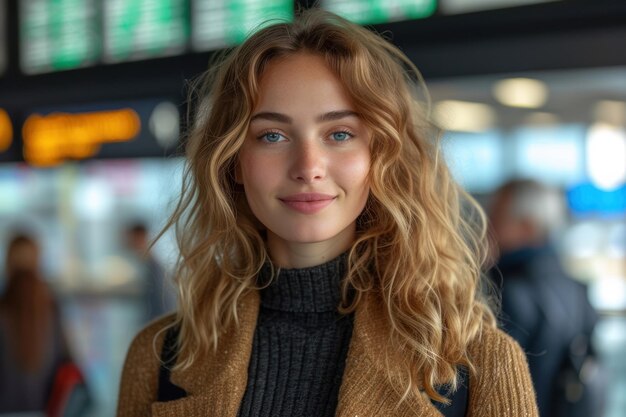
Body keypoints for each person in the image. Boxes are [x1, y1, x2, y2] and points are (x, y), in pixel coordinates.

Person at [117, 9, 538, 417]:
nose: (308, 167)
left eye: (339, 133)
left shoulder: (481, 364)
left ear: (381, 156)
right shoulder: (158, 358)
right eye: (272, 135)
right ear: (233, 163)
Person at [488, 179, 602, 417]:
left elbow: (492, 385)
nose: (488, 225)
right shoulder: (576, 288)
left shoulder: (507, 290)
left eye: (497, 216)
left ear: (528, 226)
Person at [0, 234, 68, 412]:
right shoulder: (51, 306)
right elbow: (66, 358)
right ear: (38, 259)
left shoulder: (3, 307)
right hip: (46, 408)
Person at [125, 222, 176, 322]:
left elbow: (164, 305)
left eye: (131, 239)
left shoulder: (154, 269)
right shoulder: (148, 267)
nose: (128, 243)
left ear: (139, 237)